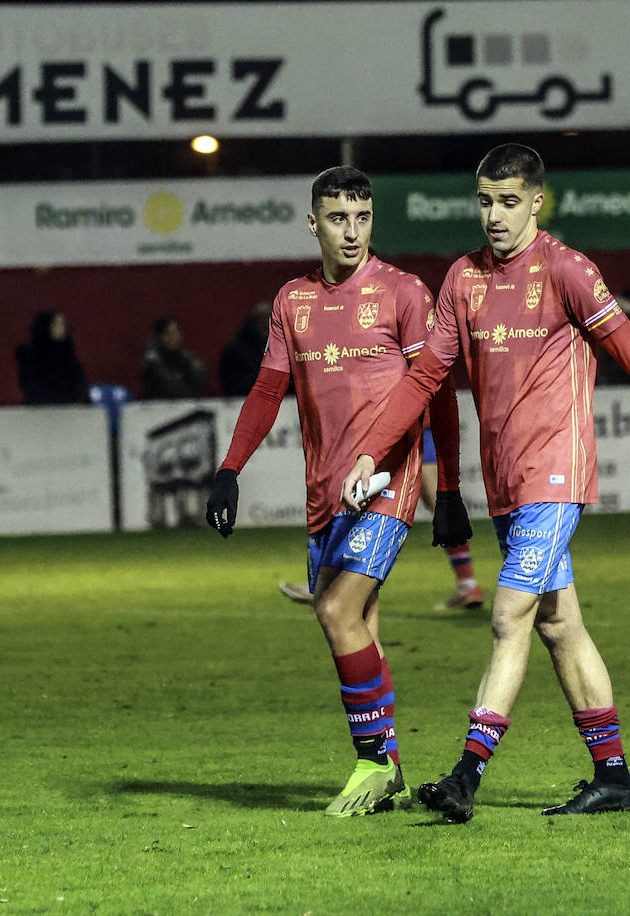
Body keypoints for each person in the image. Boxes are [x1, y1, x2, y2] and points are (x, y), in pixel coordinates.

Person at [341, 143, 630, 823]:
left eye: (509, 202)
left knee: (509, 614)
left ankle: (466, 775)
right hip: (508, 485)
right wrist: (373, 451)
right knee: (559, 625)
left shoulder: (567, 271)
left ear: (537, 203)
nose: (494, 215)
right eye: (485, 200)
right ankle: (614, 777)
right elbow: (426, 377)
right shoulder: (463, 279)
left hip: (556, 475)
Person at [205, 166, 462, 817]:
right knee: (359, 627)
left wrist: (450, 485)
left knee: (336, 612)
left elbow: (437, 389)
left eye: (363, 217)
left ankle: (372, 763)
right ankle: (392, 771)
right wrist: (230, 468)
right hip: (325, 492)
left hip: (387, 482)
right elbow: (268, 391)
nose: (352, 232)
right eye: (339, 219)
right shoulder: (293, 301)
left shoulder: (404, 293)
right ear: (313, 222)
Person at [279, 424, 482, 610]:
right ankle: (467, 583)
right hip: (417, 422)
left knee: (360, 496)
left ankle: (326, 584)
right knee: (434, 501)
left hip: (395, 424)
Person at [15, 309, 91, 405]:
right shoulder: (30, 357)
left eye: (63, 324)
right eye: (56, 324)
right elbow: (34, 390)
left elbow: (81, 387)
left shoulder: (69, 356)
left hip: (71, 413)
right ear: (45, 327)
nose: (61, 328)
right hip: (41, 414)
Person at [141, 315, 208, 399]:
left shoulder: (186, 358)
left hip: (185, 403)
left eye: (175, 333)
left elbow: (201, 382)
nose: (173, 337)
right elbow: (170, 387)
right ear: (159, 336)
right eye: (168, 334)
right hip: (158, 406)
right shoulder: (152, 359)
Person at [219, 301, 273, 397]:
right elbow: (231, 384)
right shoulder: (235, 350)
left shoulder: (282, 348)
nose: (266, 325)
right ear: (254, 322)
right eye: (262, 320)